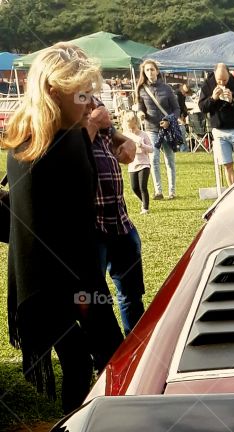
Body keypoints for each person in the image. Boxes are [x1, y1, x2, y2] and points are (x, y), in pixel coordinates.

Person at [1, 43, 123, 408]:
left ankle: (75, 431)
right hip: (61, 277)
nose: (89, 103)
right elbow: (46, 223)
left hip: (49, 277)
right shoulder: (54, 144)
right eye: (82, 93)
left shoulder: (31, 138)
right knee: (103, 355)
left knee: (80, 358)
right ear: (53, 90)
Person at [86, 99, 144, 337]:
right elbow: (68, 151)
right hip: (90, 228)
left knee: (131, 294)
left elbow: (115, 135)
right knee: (93, 301)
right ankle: (106, 359)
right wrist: (92, 123)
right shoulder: (60, 106)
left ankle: (134, 352)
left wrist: (128, 143)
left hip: (120, 221)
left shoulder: (91, 99)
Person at [199, 63, 234, 186]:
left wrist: (233, 100)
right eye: (219, 80)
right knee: (227, 164)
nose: (222, 83)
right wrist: (212, 98)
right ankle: (232, 193)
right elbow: (202, 108)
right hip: (219, 131)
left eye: (225, 80)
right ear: (214, 76)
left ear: (228, 75)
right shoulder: (207, 85)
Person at [136, 58, 179, 199]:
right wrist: (141, 113)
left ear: (157, 71)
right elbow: (140, 107)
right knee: (154, 158)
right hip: (151, 128)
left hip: (167, 128)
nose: (150, 72)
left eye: (152, 69)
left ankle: (172, 191)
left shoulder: (166, 88)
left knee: (169, 159)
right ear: (144, 72)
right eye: (147, 70)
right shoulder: (141, 89)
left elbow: (176, 109)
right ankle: (158, 191)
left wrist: (169, 120)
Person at [121, 110, 153, 213]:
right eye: (129, 123)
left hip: (144, 163)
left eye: (133, 123)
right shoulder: (125, 135)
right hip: (132, 163)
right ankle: (143, 202)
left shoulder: (143, 134)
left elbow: (151, 149)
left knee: (142, 186)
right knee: (134, 187)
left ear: (136, 122)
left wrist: (142, 145)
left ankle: (145, 208)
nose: (131, 127)